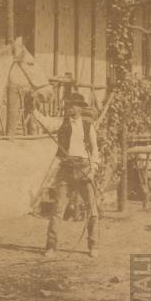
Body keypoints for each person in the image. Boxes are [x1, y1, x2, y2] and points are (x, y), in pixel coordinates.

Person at [32, 92, 100, 258]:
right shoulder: (61, 123)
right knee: (57, 210)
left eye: (72, 105)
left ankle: (93, 245)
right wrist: (32, 110)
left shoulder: (88, 126)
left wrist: (92, 170)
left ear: (79, 108)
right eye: (68, 105)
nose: (69, 108)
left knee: (92, 210)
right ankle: (51, 247)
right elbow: (46, 122)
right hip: (66, 170)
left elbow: (95, 151)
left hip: (84, 169)